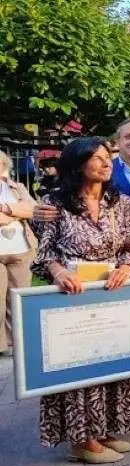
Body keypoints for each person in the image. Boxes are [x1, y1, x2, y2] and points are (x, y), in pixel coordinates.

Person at [30, 137, 130, 463]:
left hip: (110, 293)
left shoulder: (119, 201)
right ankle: (82, 440)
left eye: (108, 157)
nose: (106, 163)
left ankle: (104, 429)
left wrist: (126, 266)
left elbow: (129, 245)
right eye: (97, 158)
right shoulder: (55, 202)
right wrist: (58, 273)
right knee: (77, 365)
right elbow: (45, 252)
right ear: (78, 163)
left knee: (108, 361)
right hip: (72, 295)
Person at [0, 151, 36, 356]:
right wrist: (14, 212)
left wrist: (5, 208)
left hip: (21, 250)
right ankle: (1, 345)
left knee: (18, 298)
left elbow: (32, 209)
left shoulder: (16, 187)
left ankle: (17, 343)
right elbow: (20, 211)